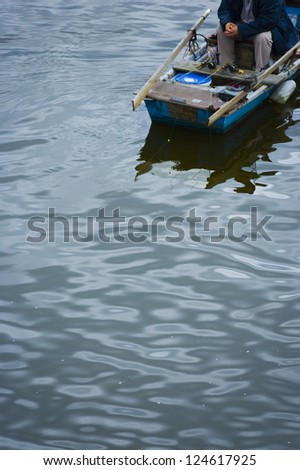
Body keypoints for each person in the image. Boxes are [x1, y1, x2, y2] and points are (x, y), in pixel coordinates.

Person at [217, 0, 299, 71]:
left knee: (263, 37)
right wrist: (227, 22)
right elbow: (225, 10)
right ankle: (226, 66)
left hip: (264, 27)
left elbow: (269, 20)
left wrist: (240, 30)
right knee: (221, 29)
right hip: (242, 24)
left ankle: (261, 70)